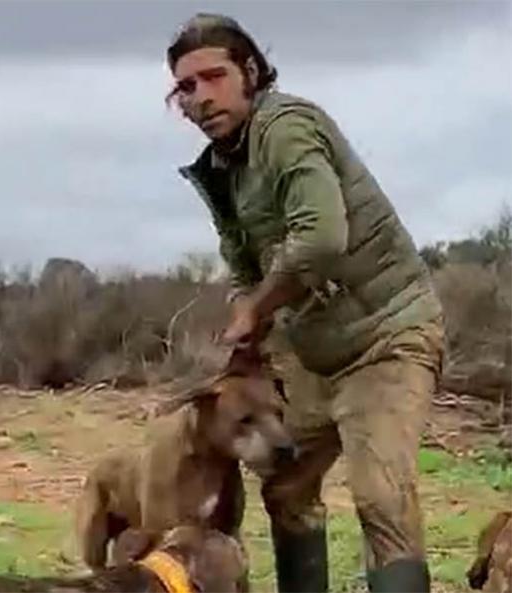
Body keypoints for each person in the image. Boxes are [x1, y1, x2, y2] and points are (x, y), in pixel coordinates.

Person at [166, 13, 445, 593]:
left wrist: (257, 305)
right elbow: (246, 269)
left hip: (387, 337)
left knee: (381, 496)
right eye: (186, 87)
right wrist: (249, 329)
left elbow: (320, 239)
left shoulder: (286, 127)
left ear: (250, 71)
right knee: (287, 484)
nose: (200, 98)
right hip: (316, 356)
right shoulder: (222, 169)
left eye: (214, 77)